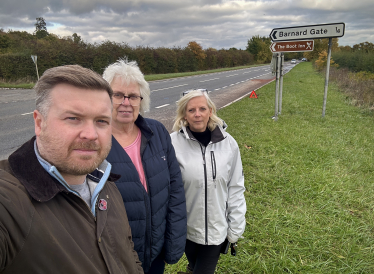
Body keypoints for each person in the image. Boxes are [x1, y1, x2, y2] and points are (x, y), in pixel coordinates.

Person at [0, 65, 143, 274]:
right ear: (39, 122)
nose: (91, 134)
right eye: (73, 118)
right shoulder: (8, 201)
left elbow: (128, 256)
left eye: (101, 121)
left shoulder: (105, 185)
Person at [102, 59, 187, 274]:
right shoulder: (95, 141)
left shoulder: (157, 132)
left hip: (155, 252)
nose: (126, 102)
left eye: (133, 96)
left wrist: (173, 241)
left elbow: (175, 189)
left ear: (142, 100)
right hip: (115, 258)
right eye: (118, 95)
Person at [170, 89, 247, 274]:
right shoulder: (171, 143)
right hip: (186, 228)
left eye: (202, 109)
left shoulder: (229, 144)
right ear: (184, 115)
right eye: (191, 110)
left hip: (216, 230)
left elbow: (235, 187)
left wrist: (236, 225)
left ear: (210, 111)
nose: (197, 114)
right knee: (195, 264)